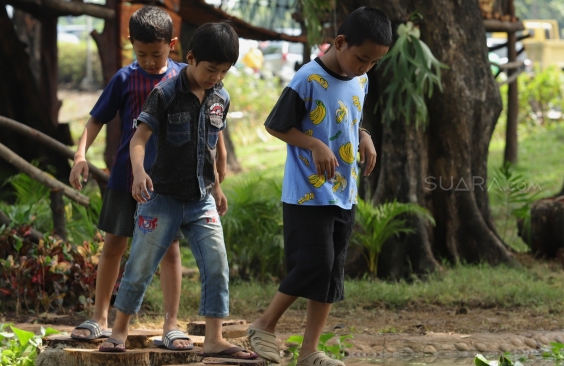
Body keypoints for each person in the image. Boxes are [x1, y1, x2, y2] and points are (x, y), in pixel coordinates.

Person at [69, 6, 227, 350]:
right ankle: (100, 317)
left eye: (156, 54)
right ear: (131, 45)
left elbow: (213, 124)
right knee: (114, 244)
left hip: (170, 184)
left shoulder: (191, 76)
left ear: (172, 45)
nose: (150, 61)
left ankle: (171, 324)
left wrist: (216, 177)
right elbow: (96, 119)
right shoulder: (125, 79)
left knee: (170, 250)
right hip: (128, 176)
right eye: (141, 54)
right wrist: (81, 155)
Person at [98, 22, 257, 360]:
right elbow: (139, 139)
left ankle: (214, 338)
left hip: (201, 200)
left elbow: (213, 143)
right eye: (210, 69)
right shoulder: (166, 93)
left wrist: (218, 186)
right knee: (140, 265)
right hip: (161, 199)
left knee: (217, 265)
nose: (215, 76)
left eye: (223, 71)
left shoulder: (221, 97)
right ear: (190, 58)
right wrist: (139, 173)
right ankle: (119, 330)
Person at [246, 7, 392, 366]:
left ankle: (310, 351)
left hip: (344, 193)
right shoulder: (307, 78)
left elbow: (351, 114)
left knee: (331, 273)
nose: (365, 67)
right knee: (314, 263)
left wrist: (365, 135)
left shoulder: (362, 78)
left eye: (373, 62)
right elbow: (276, 124)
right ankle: (263, 326)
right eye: (362, 58)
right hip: (307, 195)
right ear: (340, 42)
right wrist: (314, 144)